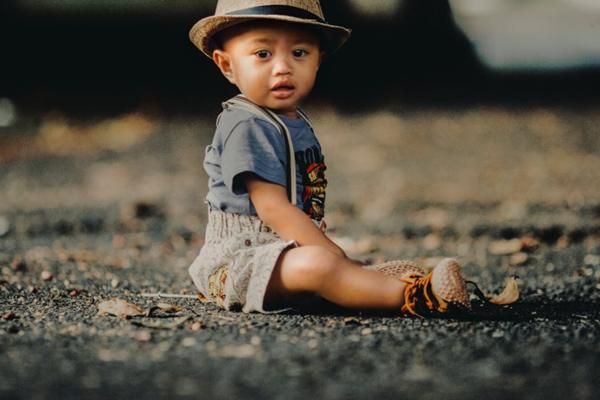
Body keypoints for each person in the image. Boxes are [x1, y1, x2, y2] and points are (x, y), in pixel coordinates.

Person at [187, 0, 471, 316]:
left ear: (318, 61)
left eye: (299, 53)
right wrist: (333, 253)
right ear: (227, 65)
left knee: (322, 264)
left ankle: (360, 283)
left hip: (285, 250)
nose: (282, 67)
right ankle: (416, 296)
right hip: (241, 261)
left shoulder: (293, 121)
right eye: (263, 54)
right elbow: (272, 208)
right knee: (319, 264)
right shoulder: (246, 124)